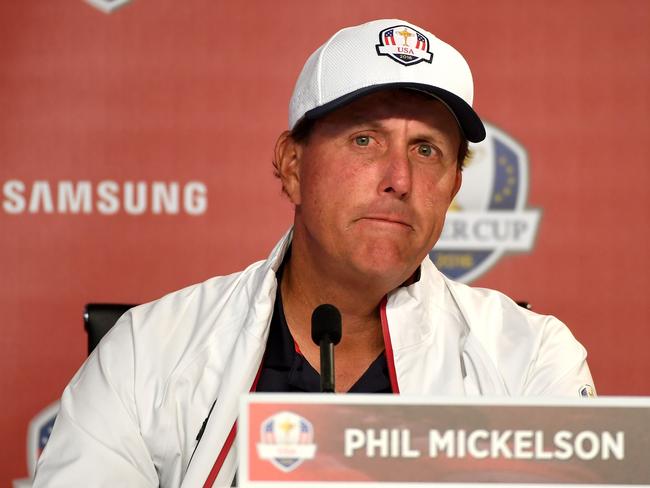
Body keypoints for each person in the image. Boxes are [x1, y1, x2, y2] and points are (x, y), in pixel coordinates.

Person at [34, 18, 595, 487]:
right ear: (293, 165)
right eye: (364, 140)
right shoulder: (145, 353)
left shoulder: (532, 362)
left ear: (451, 189)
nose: (399, 178)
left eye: (426, 150)